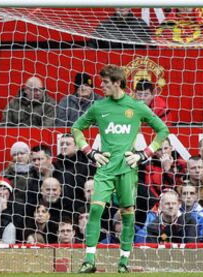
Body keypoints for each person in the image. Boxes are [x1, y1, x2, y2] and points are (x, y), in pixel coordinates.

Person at [72, 64, 169, 273]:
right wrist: (90, 152)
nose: (102, 86)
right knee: (96, 209)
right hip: (105, 169)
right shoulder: (99, 107)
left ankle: (123, 261)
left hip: (127, 170)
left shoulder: (136, 107)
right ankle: (89, 260)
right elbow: (76, 128)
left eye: (105, 83)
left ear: (117, 83)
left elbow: (162, 130)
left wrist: (144, 154)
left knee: (127, 216)